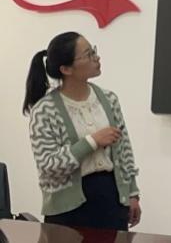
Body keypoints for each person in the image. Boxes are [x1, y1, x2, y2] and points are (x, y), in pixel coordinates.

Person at [22, 32, 141, 231]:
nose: (97, 57)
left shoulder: (109, 99)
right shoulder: (44, 110)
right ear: (66, 69)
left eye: (93, 51)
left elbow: (124, 150)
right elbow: (48, 166)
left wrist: (132, 193)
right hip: (67, 208)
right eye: (88, 54)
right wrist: (92, 141)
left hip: (111, 199)